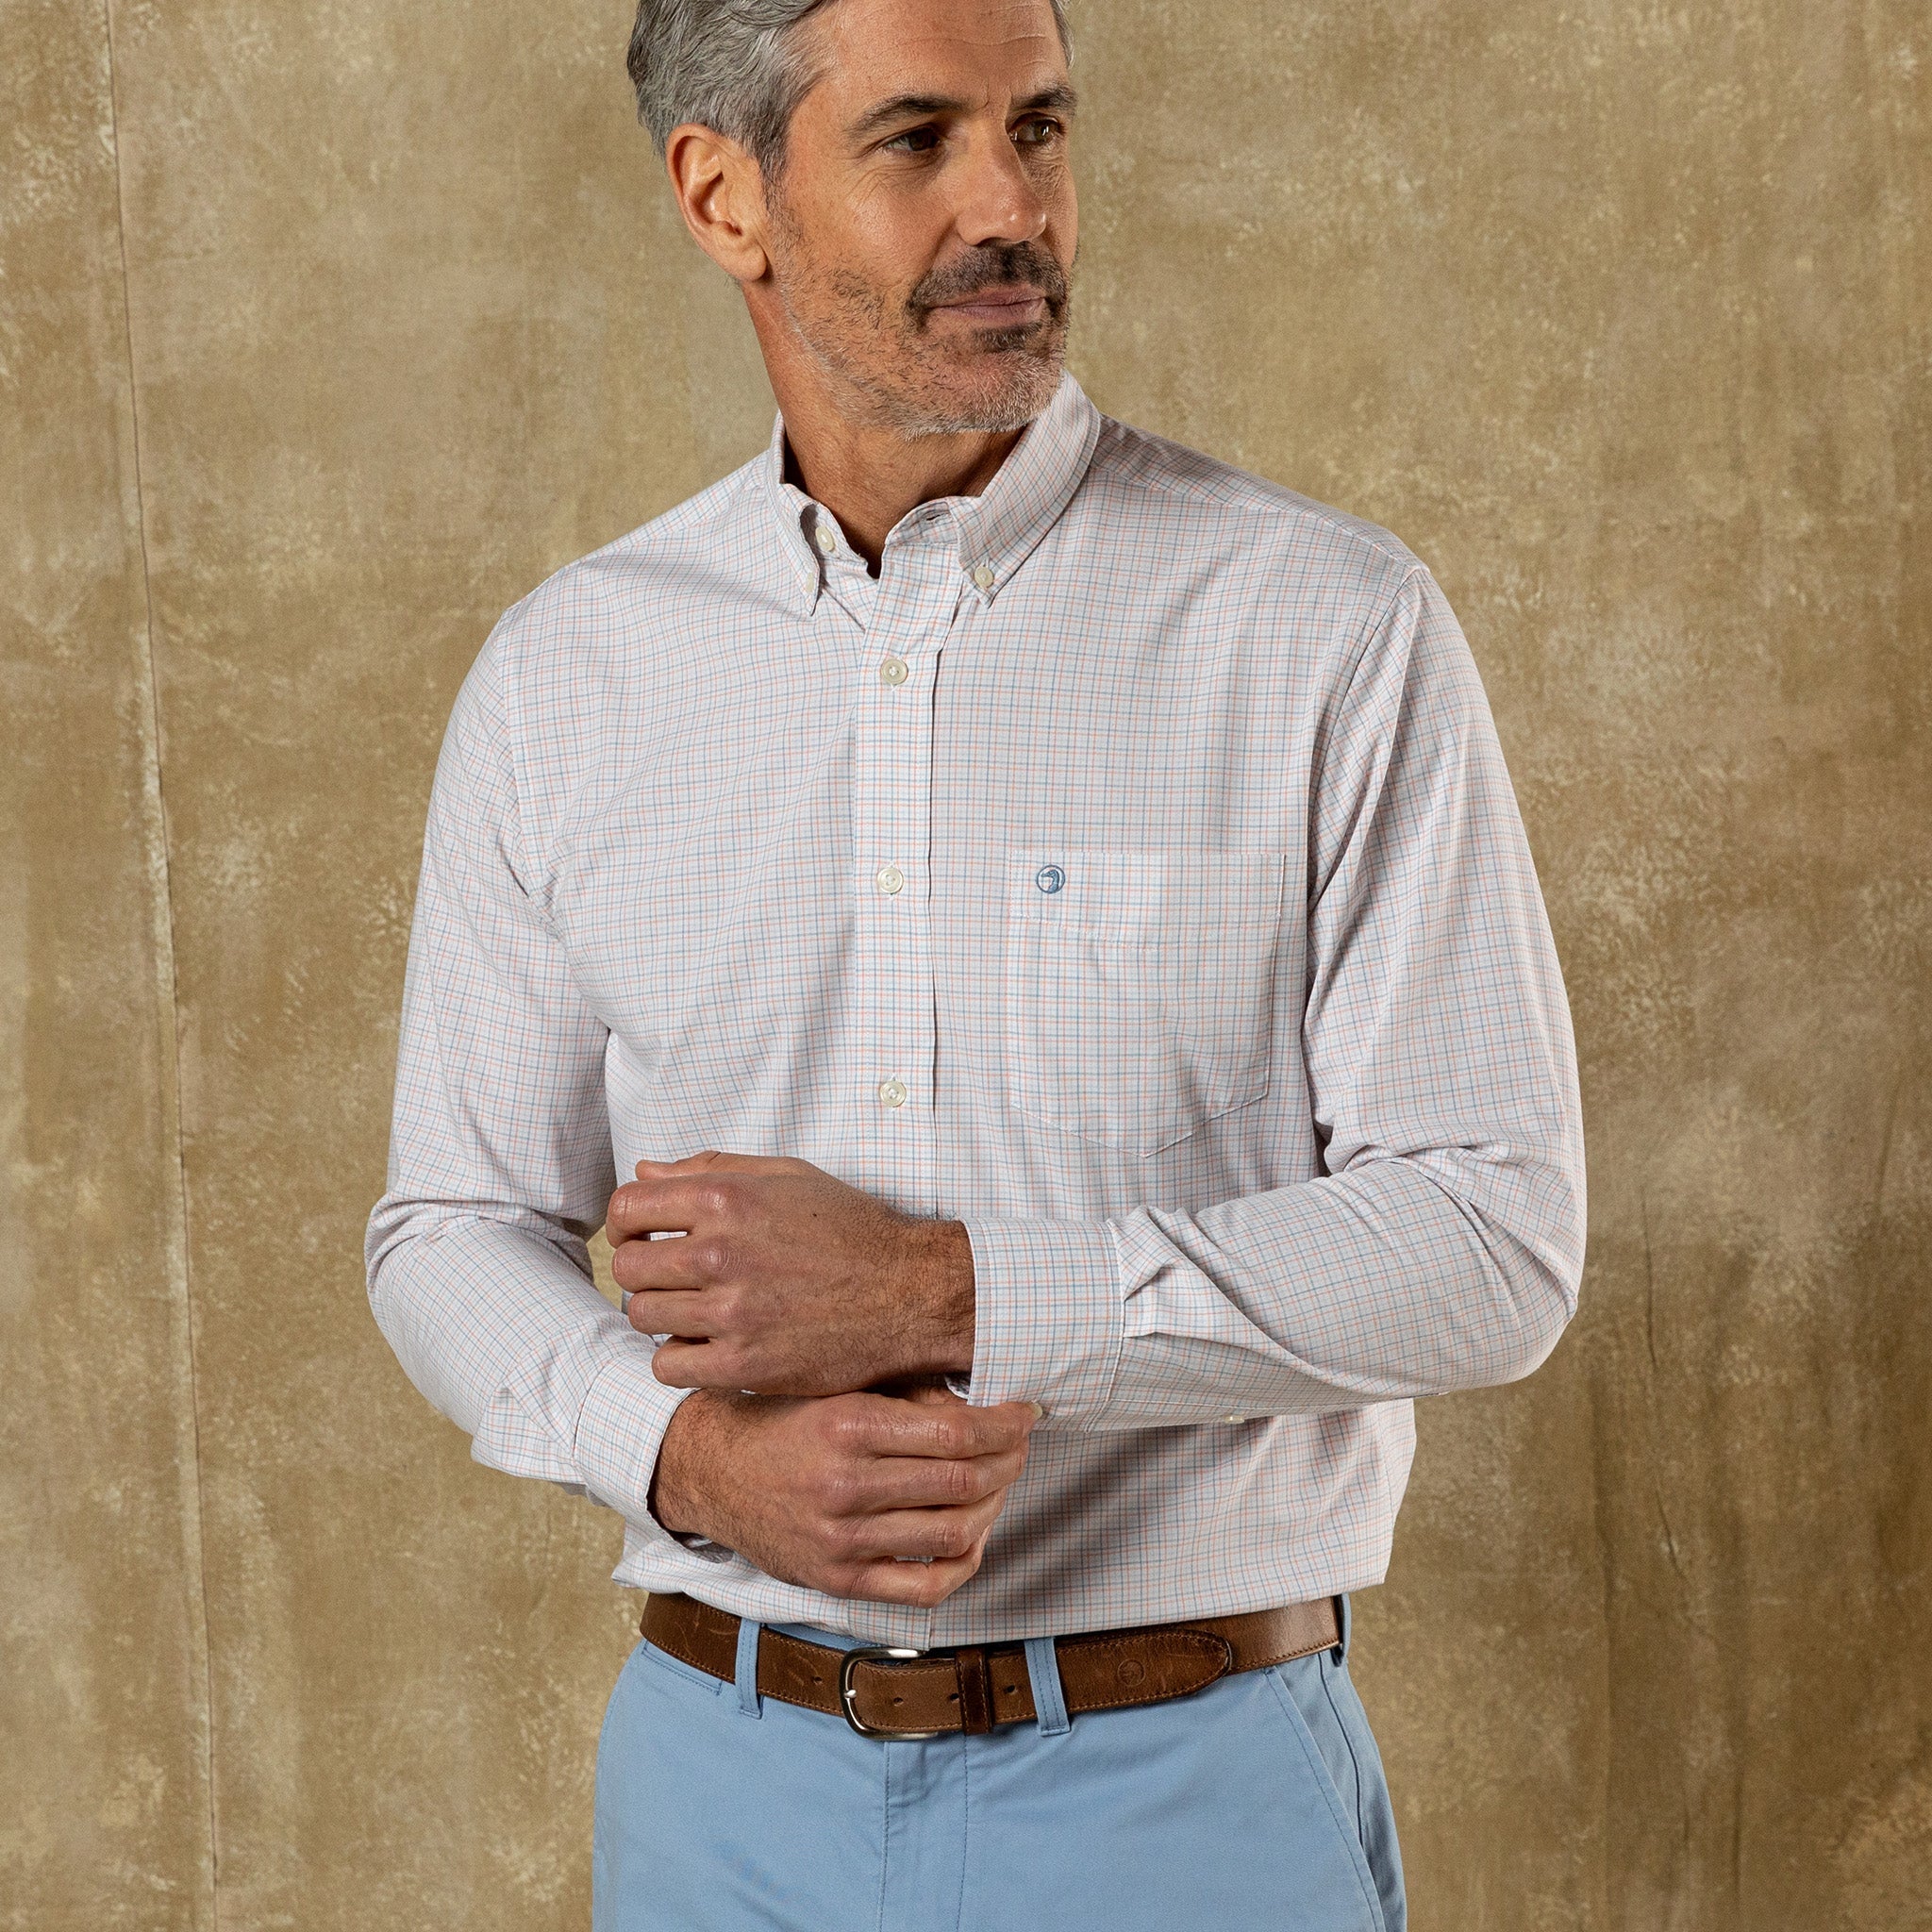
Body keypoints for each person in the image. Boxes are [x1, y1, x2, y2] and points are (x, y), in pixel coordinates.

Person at [365, 0, 1585, 1924]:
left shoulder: (1323, 628)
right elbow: (449, 1225)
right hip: (723, 1795)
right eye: (918, 139)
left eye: (1042, 130)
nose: (1012, 207)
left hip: (1187, 1791)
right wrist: (685, 1457)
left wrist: (945, 1292)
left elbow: (1491, 1236)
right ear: (725, 196)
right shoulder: (568, 678)